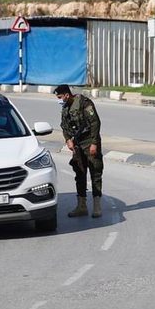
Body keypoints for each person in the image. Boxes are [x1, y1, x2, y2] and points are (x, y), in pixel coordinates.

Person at [54, 84, 103, 218]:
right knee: (80, 172)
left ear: (66, 95)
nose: (59, 100)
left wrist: (94, 143)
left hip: (89, 141)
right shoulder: (65, 108)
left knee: (95, 172)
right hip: (77, 145)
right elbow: (64, 126)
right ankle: (81, 206)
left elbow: (95, 123)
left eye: (60, 97)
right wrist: (68, 140)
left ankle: (97, 206)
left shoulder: (84, 103)